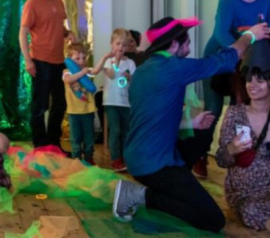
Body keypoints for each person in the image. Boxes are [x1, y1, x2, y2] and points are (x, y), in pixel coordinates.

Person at [112, 16, 270, 233]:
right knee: (213, 220)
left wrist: (190, 122)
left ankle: (173, 187)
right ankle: (141, 195)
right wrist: (251, 35)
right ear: (174, 44)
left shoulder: (145, 71)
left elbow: (151, 119)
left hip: (139, 154)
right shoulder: (173, 68)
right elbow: (225, 59)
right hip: (153, 165)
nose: (189, 48)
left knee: (203, 134)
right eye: (186, 43)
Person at [198, 0, 270, 179]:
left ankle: (247, 158)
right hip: (220, 58)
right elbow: (221, 34)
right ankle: (200, 155)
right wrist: (241, 49)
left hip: (251, 63)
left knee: (245, 109)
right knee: (213, 110)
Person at [20, 0, 76, 151]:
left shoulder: (58, 2)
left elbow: (57, 27)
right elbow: (23, 33)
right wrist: (28, 60)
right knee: (40, 105)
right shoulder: (32, 4)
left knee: (59, 104)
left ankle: (54, 142)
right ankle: (40, 144)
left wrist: (68, 34)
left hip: (59, 62)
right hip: (40, 61)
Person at [215, 40, 270, 231]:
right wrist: (231, 148)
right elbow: (221, 160)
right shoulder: (235, 113)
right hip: (246, 194)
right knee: (252, 210)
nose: (252, 85)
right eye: (248, 79)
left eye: (259, 80)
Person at [62, 43, 110, 164]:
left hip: (88, 111)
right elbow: (68, 80)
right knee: (75, 138)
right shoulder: (67, 71)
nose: (81, 61)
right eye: (77, 58)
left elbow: (95, 71)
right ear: (70, 59)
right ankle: (76, 158)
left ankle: (89, 157)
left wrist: (104, 58)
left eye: (84, 58)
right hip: (73, 112)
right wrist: (82, 73)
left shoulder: (86, 70)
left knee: (89, 138)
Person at [103, 29, 136, 172]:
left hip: (125, 103)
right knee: (115, 130)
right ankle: (115, 158)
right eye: (117, 43)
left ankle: (125, 157)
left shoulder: (131, 63)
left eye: (124, 44)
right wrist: (115, 61)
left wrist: (130, 78)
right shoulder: (108, 61)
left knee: (125, 131)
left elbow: (135, 80)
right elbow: (110, 74)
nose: (120, 47)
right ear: (111, 44)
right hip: (111, 102)